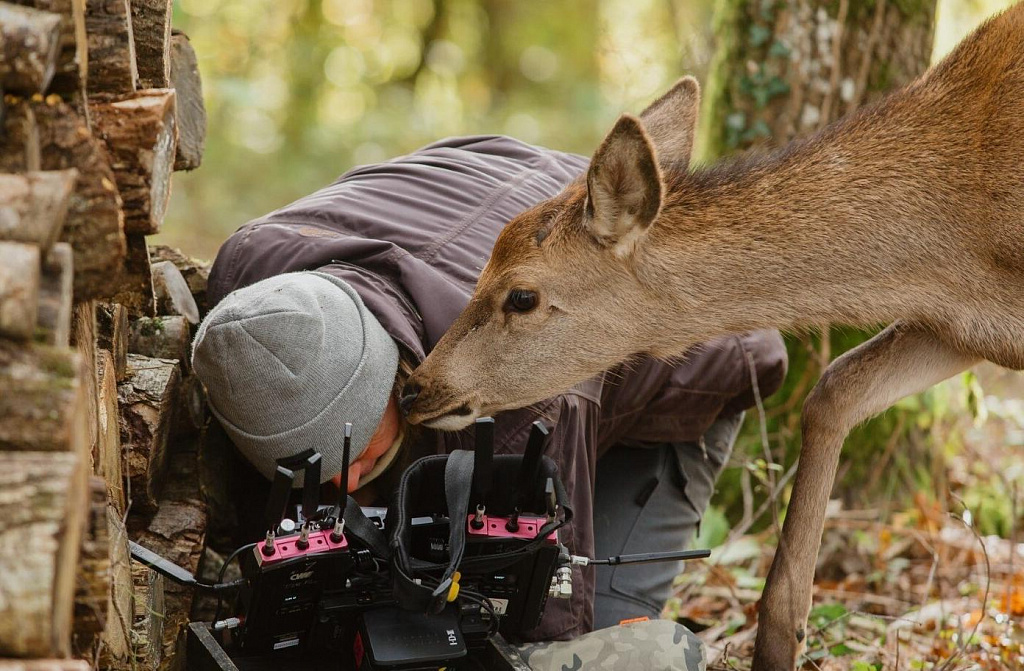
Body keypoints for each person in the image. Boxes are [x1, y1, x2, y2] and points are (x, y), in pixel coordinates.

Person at [192, 135, 788, 670]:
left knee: (567, 643)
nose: (343, 482)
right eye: (306, 469)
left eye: (353, 444)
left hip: (679, 353)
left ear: (396, 374)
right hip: (511, 197)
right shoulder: (243, 292)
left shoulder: (524, 392)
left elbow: (548, 626)